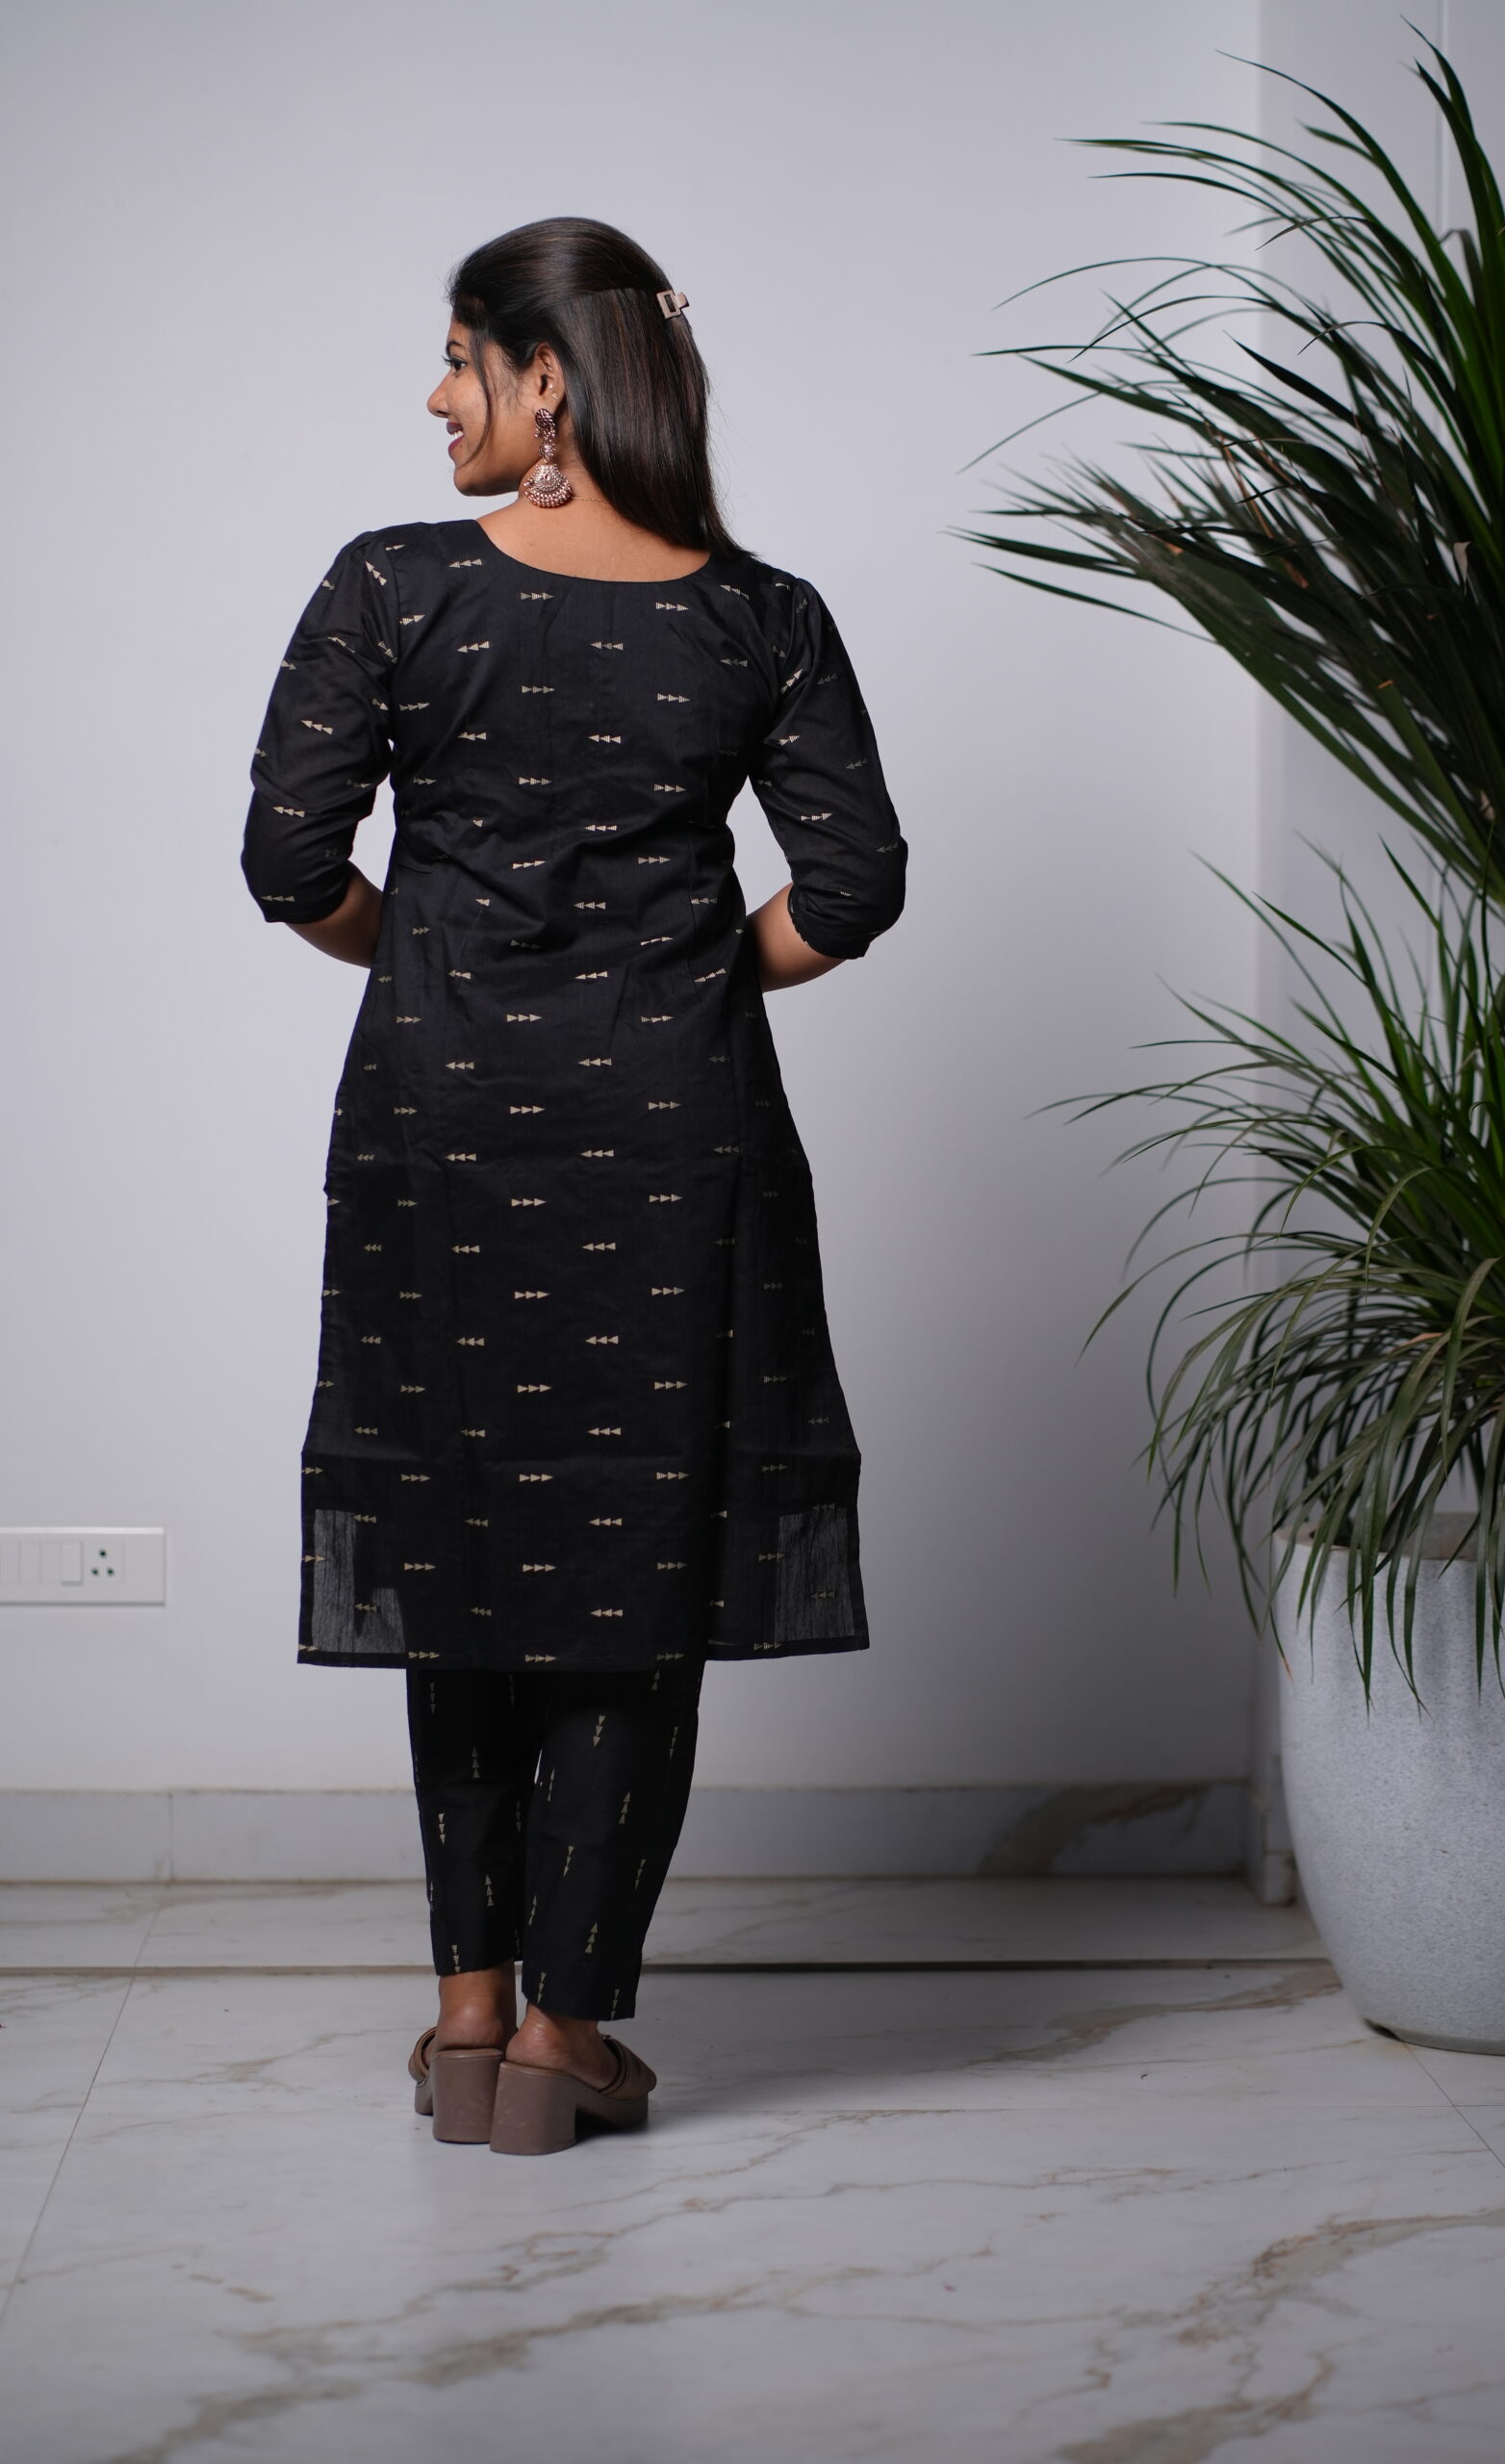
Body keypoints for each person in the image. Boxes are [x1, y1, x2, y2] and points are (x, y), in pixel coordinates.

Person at [241, 217, 907, 2156]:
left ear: (548, 378)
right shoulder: (760, 615)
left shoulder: (392, 585)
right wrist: (688, 980)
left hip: (436, 1125)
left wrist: (442, 969)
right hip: (674, 1136)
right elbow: (852, 887)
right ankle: (563, 2037)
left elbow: (288, 861)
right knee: (635, 1560)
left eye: (459, 356)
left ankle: (464, 2022)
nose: (434, 395)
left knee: (457, 1537)